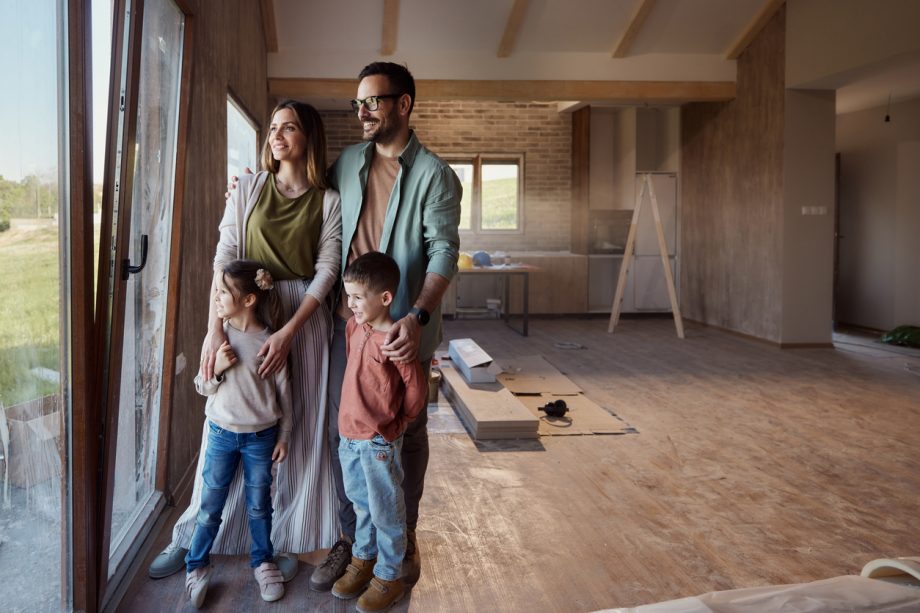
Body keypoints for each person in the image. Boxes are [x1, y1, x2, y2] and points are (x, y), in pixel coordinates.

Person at [149, 100, 343, 581]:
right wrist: (215, 328)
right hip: (241, 314)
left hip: (300, 322)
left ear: (308, 138)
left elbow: (327, 270)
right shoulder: (249, 186)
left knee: (289, 437)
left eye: (289, 127)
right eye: (273, 128)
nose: (276, 136)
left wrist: (290, 331)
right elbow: (226, 251)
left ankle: (283, 540)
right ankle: (193, 535)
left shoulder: (330, 201)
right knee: (222, 428)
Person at [309, 62, 461, 592]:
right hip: (347, 328)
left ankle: (404, 534)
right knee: (347, 431)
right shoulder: (346, 162)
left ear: (404, 104)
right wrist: (252, 184)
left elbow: (445, 251)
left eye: (373, 101)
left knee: (406, 433)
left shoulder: (435, 175)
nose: (363, 112)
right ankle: (356, 543)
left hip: (403, 330)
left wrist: (417, 316)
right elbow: (307, 201)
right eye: (358, 103)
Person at [185, 260, 291, 607]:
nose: (216, 298)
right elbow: (201, 386)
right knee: (209, 505)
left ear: (248, 299)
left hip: (261, 438)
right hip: (220, 435)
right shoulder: (217, 337)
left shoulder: (269, 341)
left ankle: (262, 561)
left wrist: (284, 435)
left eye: (223, 293)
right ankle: (196, 566)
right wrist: (215, 370)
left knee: (260, 506)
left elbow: (285, 395)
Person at [329, 252, 427, 611]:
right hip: (348, 438)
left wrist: (400, 422)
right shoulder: (354, 327)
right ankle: (364, 559)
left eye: (357, 297)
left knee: (386, 510)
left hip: (377, 442)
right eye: (348, 296)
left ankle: (389, 576)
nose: (350, 304)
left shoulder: (395, 339)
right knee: (361, 505)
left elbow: (415, 388)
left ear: (385, 298)